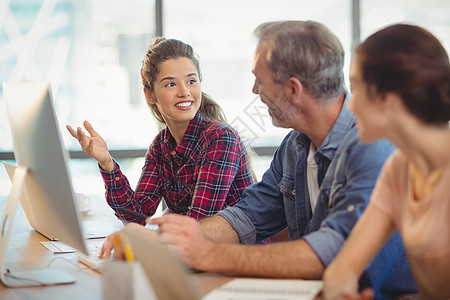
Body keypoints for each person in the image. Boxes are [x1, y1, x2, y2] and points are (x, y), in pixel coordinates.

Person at [138, 21, 417, 299]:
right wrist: (165, 243)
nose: (254, 91)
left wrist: (209, 254)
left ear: (293, 89)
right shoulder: (294, 146)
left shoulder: (373, 145)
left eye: (260, 80)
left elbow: (332, 250)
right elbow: (245, 216)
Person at [323, 24, 450, 300]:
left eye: (357, 88)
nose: (351, 105)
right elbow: (342, 268)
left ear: (387, 98)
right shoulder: (399, 168)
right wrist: (340, 291)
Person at [67, 38, 254, 223]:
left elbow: (198, 224)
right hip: (191, 249)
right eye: (170, 84)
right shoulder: (160, 146)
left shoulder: (220, 139)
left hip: (236, 252)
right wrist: (107, 163)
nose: (184, 92)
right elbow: (137, 214)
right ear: (149, 95)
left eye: (191, 81)